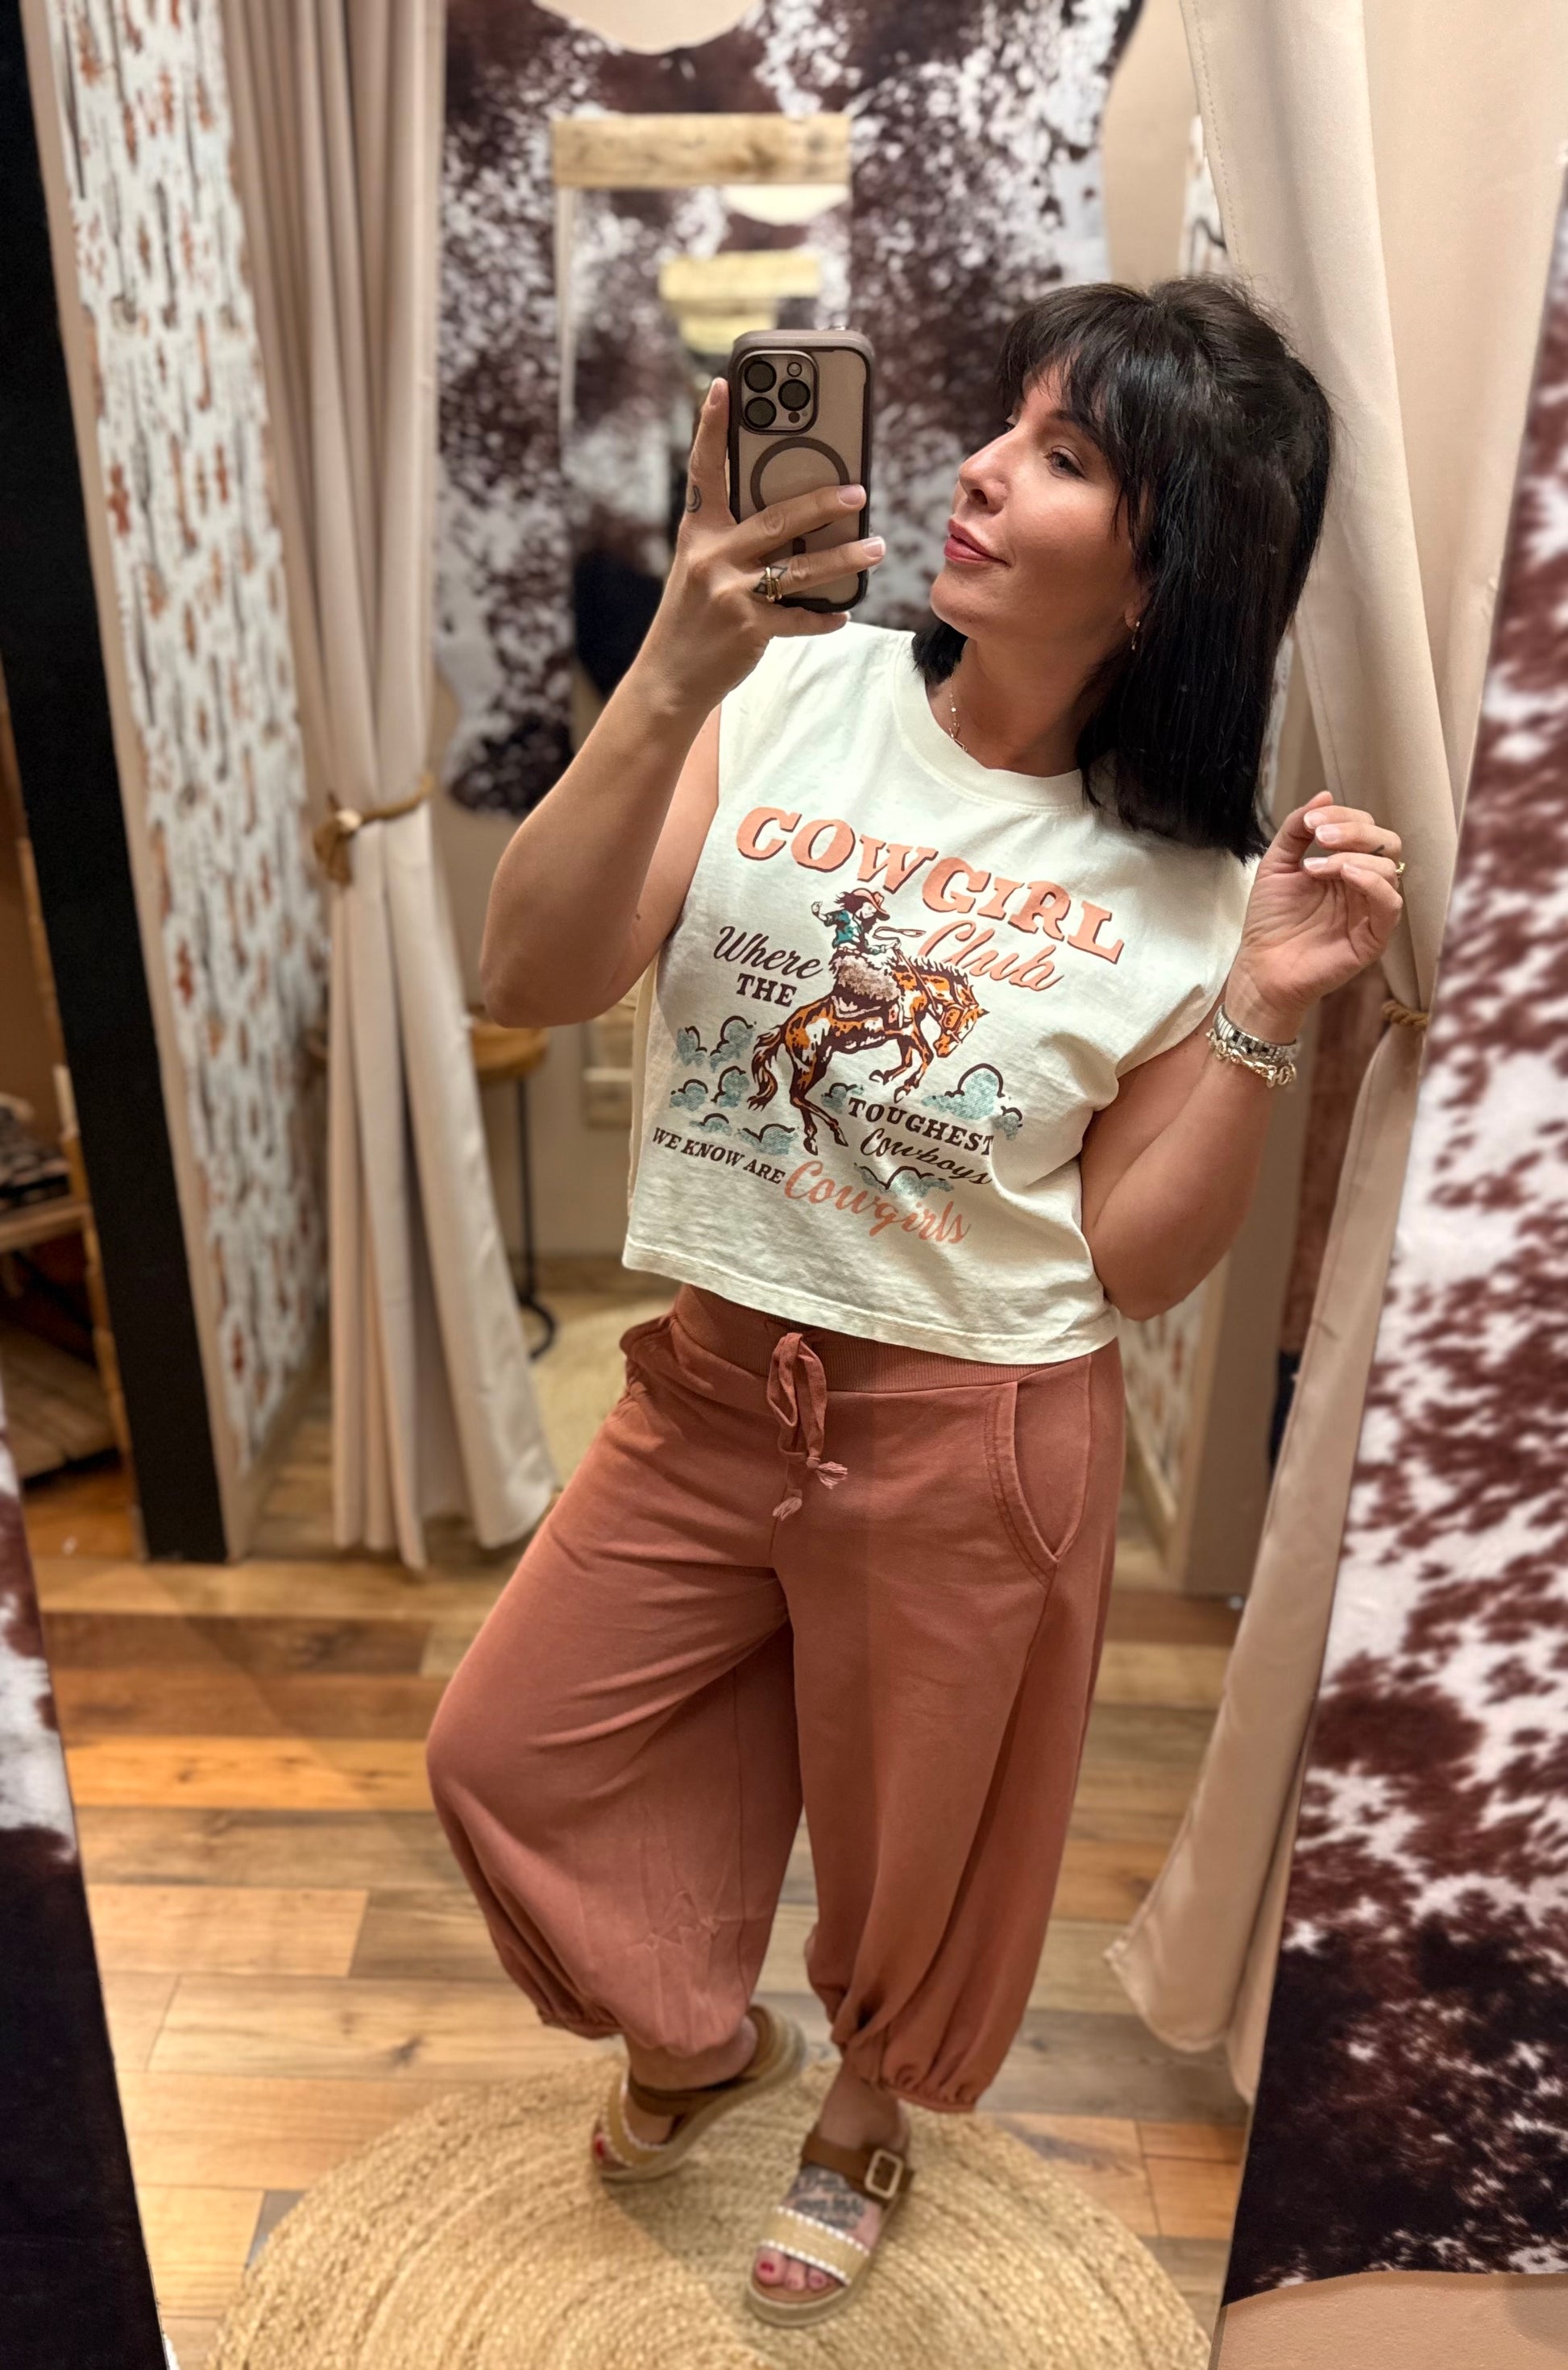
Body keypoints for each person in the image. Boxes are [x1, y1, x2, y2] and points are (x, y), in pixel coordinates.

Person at [426, 279, 1404, 2327]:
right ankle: (704, 2042)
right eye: (1005, 422)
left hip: (976, 1425)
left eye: (1064, 456)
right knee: (506, 1753)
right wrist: (671, 672)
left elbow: (1134, 1259)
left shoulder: (1192, 886)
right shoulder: (787, 696)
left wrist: (1262, 1006)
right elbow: (528, 973)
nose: (977, 470)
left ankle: (866, 2111)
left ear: (1164, 577)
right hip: (709, 1383)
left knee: (917, 1846)